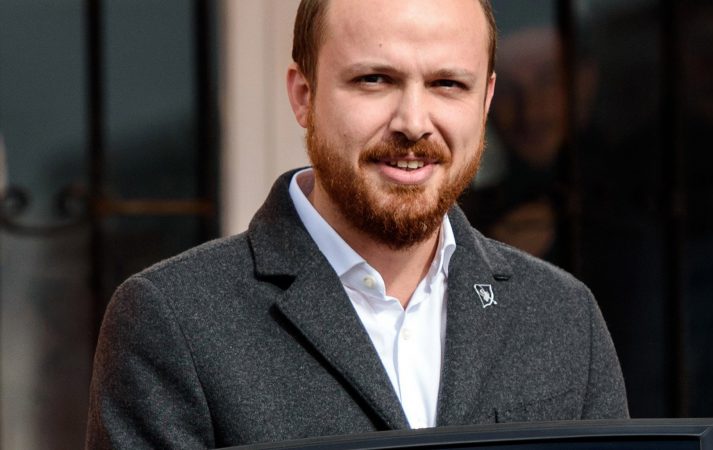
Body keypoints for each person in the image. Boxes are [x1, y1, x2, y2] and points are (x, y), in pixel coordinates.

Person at [85, 0, 628, 448]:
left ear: (484, 100)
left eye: (447, 84)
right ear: (304, 96)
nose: (413, 123)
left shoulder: (563, 315)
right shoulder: (173, 319)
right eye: (374, 80)